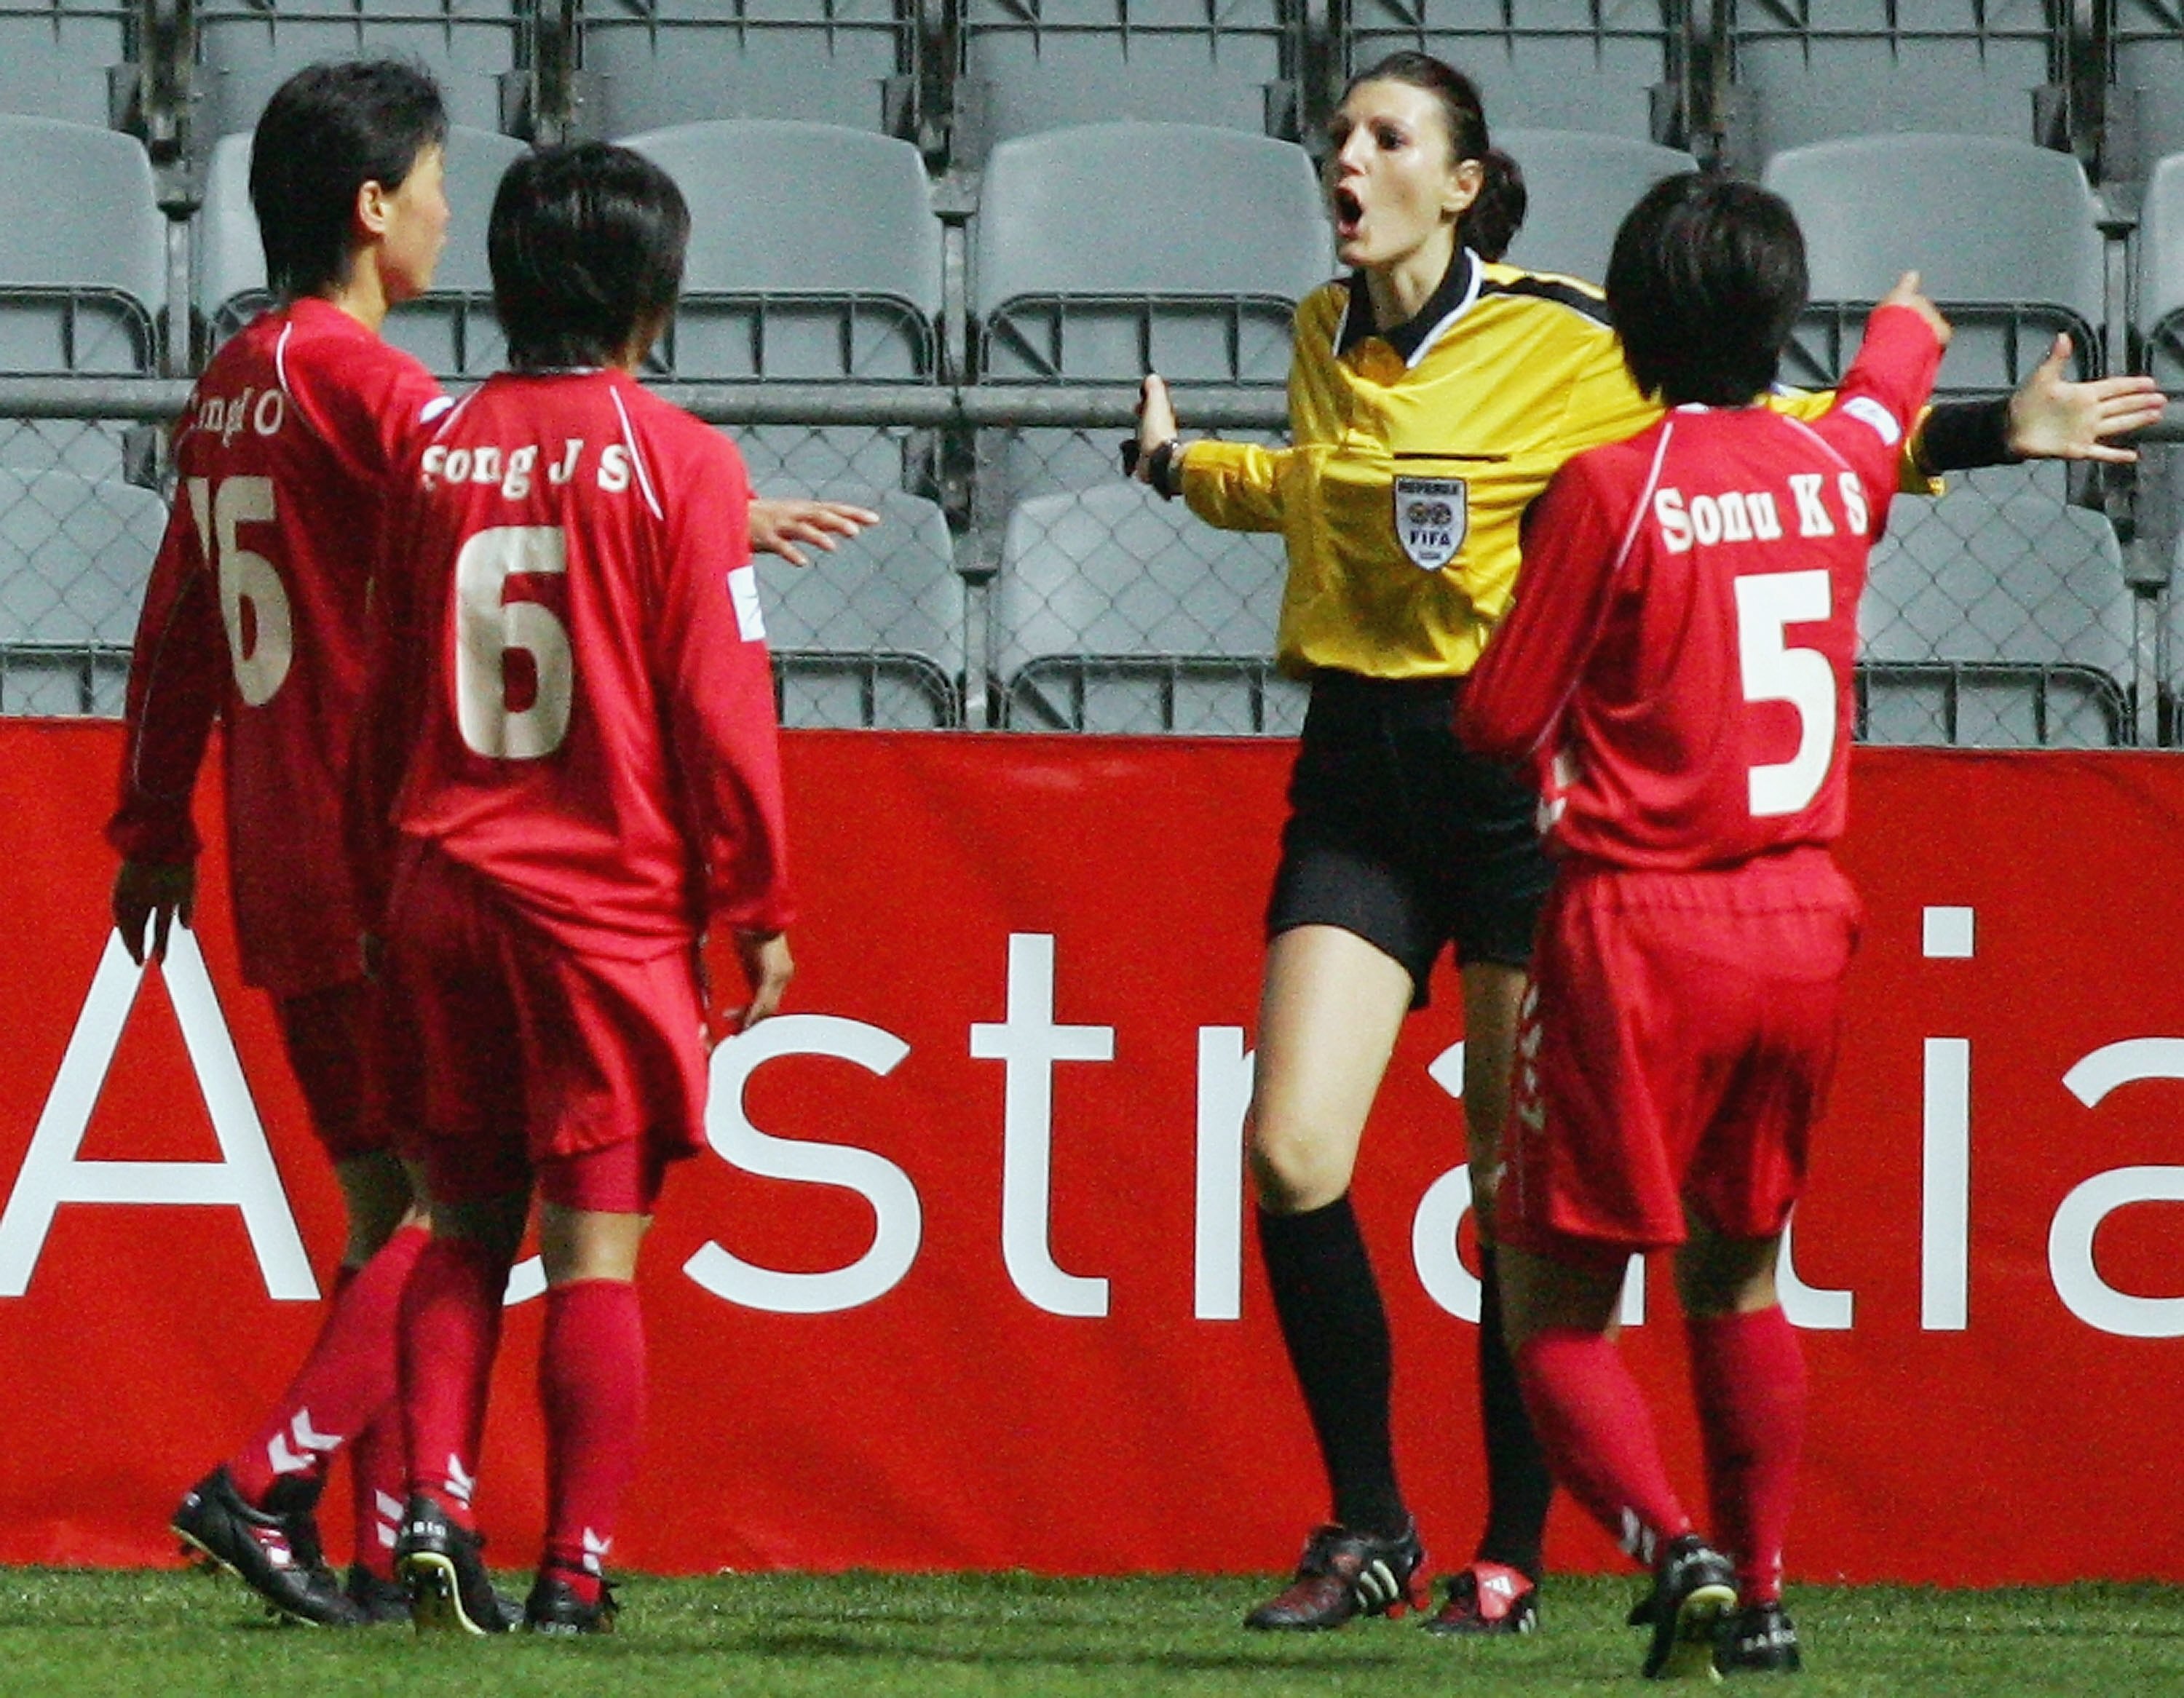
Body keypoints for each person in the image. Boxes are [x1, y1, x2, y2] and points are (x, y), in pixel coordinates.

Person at [1128, 50, 2168, 1637]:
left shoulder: (1562, 336)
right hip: (1356, 771)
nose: (1343, 154)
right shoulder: (1319, 335)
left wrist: (1978, 433)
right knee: (1288, 1153)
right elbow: (1308, 494)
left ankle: (1508, 1554)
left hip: (1508, 790)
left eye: (1382, 137)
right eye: (1338, 132)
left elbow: (1763, 434)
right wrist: (1175, 470)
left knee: (1507, 1191)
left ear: (1460, 183)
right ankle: (1366, 1525)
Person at [1457, 175, 1946, 1681]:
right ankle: (1772, 1592)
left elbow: (1496, 721)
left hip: (1639, 928)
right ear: (1774, 317)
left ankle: (1676, 1551)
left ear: (1629, 318)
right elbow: (1882, 398)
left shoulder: (1616, 488)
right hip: (1803, 919)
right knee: (1741, 1275)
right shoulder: (1832, 470)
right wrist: (1906, 333)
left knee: (1549, 1300)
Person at [357, 140, 794, 1638]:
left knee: (457, 1221)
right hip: (597, 906)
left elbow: (383, 689)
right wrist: (760, 904)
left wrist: (379, 878)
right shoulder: (683, 462)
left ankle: (436, 1509)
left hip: (436, 881)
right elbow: (722, 708)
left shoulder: (430, 447)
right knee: (593, 1245)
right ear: (652, 292)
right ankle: (575, 1570)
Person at [108, 58, 457, 1628]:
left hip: (275, 846)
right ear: (375, 210)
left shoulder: (231, 377)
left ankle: (384, 1552)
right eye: (435, 183)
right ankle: (262, 1486)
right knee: (463, 1208)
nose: (450, 211)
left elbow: (175, 627)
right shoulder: (364, 381)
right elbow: (528, 510)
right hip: (386, 842)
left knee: (384, 1208)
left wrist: (152, 826)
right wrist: (706, 506)